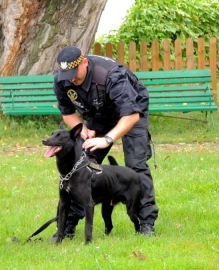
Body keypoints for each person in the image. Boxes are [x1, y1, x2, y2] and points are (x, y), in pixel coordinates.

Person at [51, 45, 159, 239]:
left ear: (85, 63)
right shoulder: (62, 79)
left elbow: (131, 115)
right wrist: (82, 129)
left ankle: (146, 222)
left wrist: (107, 139)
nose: (71, 79)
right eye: (67, 75)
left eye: (75, 74)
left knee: (136, 165)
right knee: (81, 165)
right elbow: (67, 113)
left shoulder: (110, 75)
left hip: (131, 113)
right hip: (98, 114)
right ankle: (67, 225)